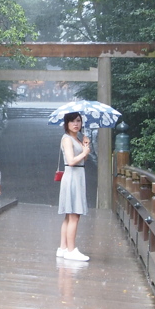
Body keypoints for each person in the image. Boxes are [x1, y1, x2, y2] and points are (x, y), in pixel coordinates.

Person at [57, 112, 91, 261]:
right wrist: (84, 152)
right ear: (66, 124)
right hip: (72, 176)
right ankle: (71, 250)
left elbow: (84, 159)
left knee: (69, 215)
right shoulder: (67, 139)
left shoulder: (77, 139)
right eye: (72, 121)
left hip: (77, 175)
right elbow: (71, 161)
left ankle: (63, 248)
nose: (76, 124)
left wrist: (85, 146)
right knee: (74, 216)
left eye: (78, 121)